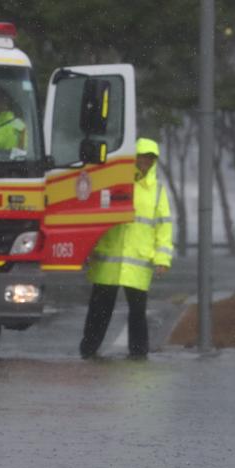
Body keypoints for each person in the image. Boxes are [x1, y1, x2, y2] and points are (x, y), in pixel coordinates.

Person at [79, 138, 173, 359]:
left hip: (138, 261)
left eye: (151, 158)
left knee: (138, 312)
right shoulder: (116, 184)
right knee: (99, 310)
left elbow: (164, 227)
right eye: (143, 157)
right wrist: (86, 249)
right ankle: (88, 350)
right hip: (109, 257)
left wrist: (162, 259)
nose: (146, 162)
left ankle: (139, 353)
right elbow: (96, 218)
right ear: (134, 157)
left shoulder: (157, 191)